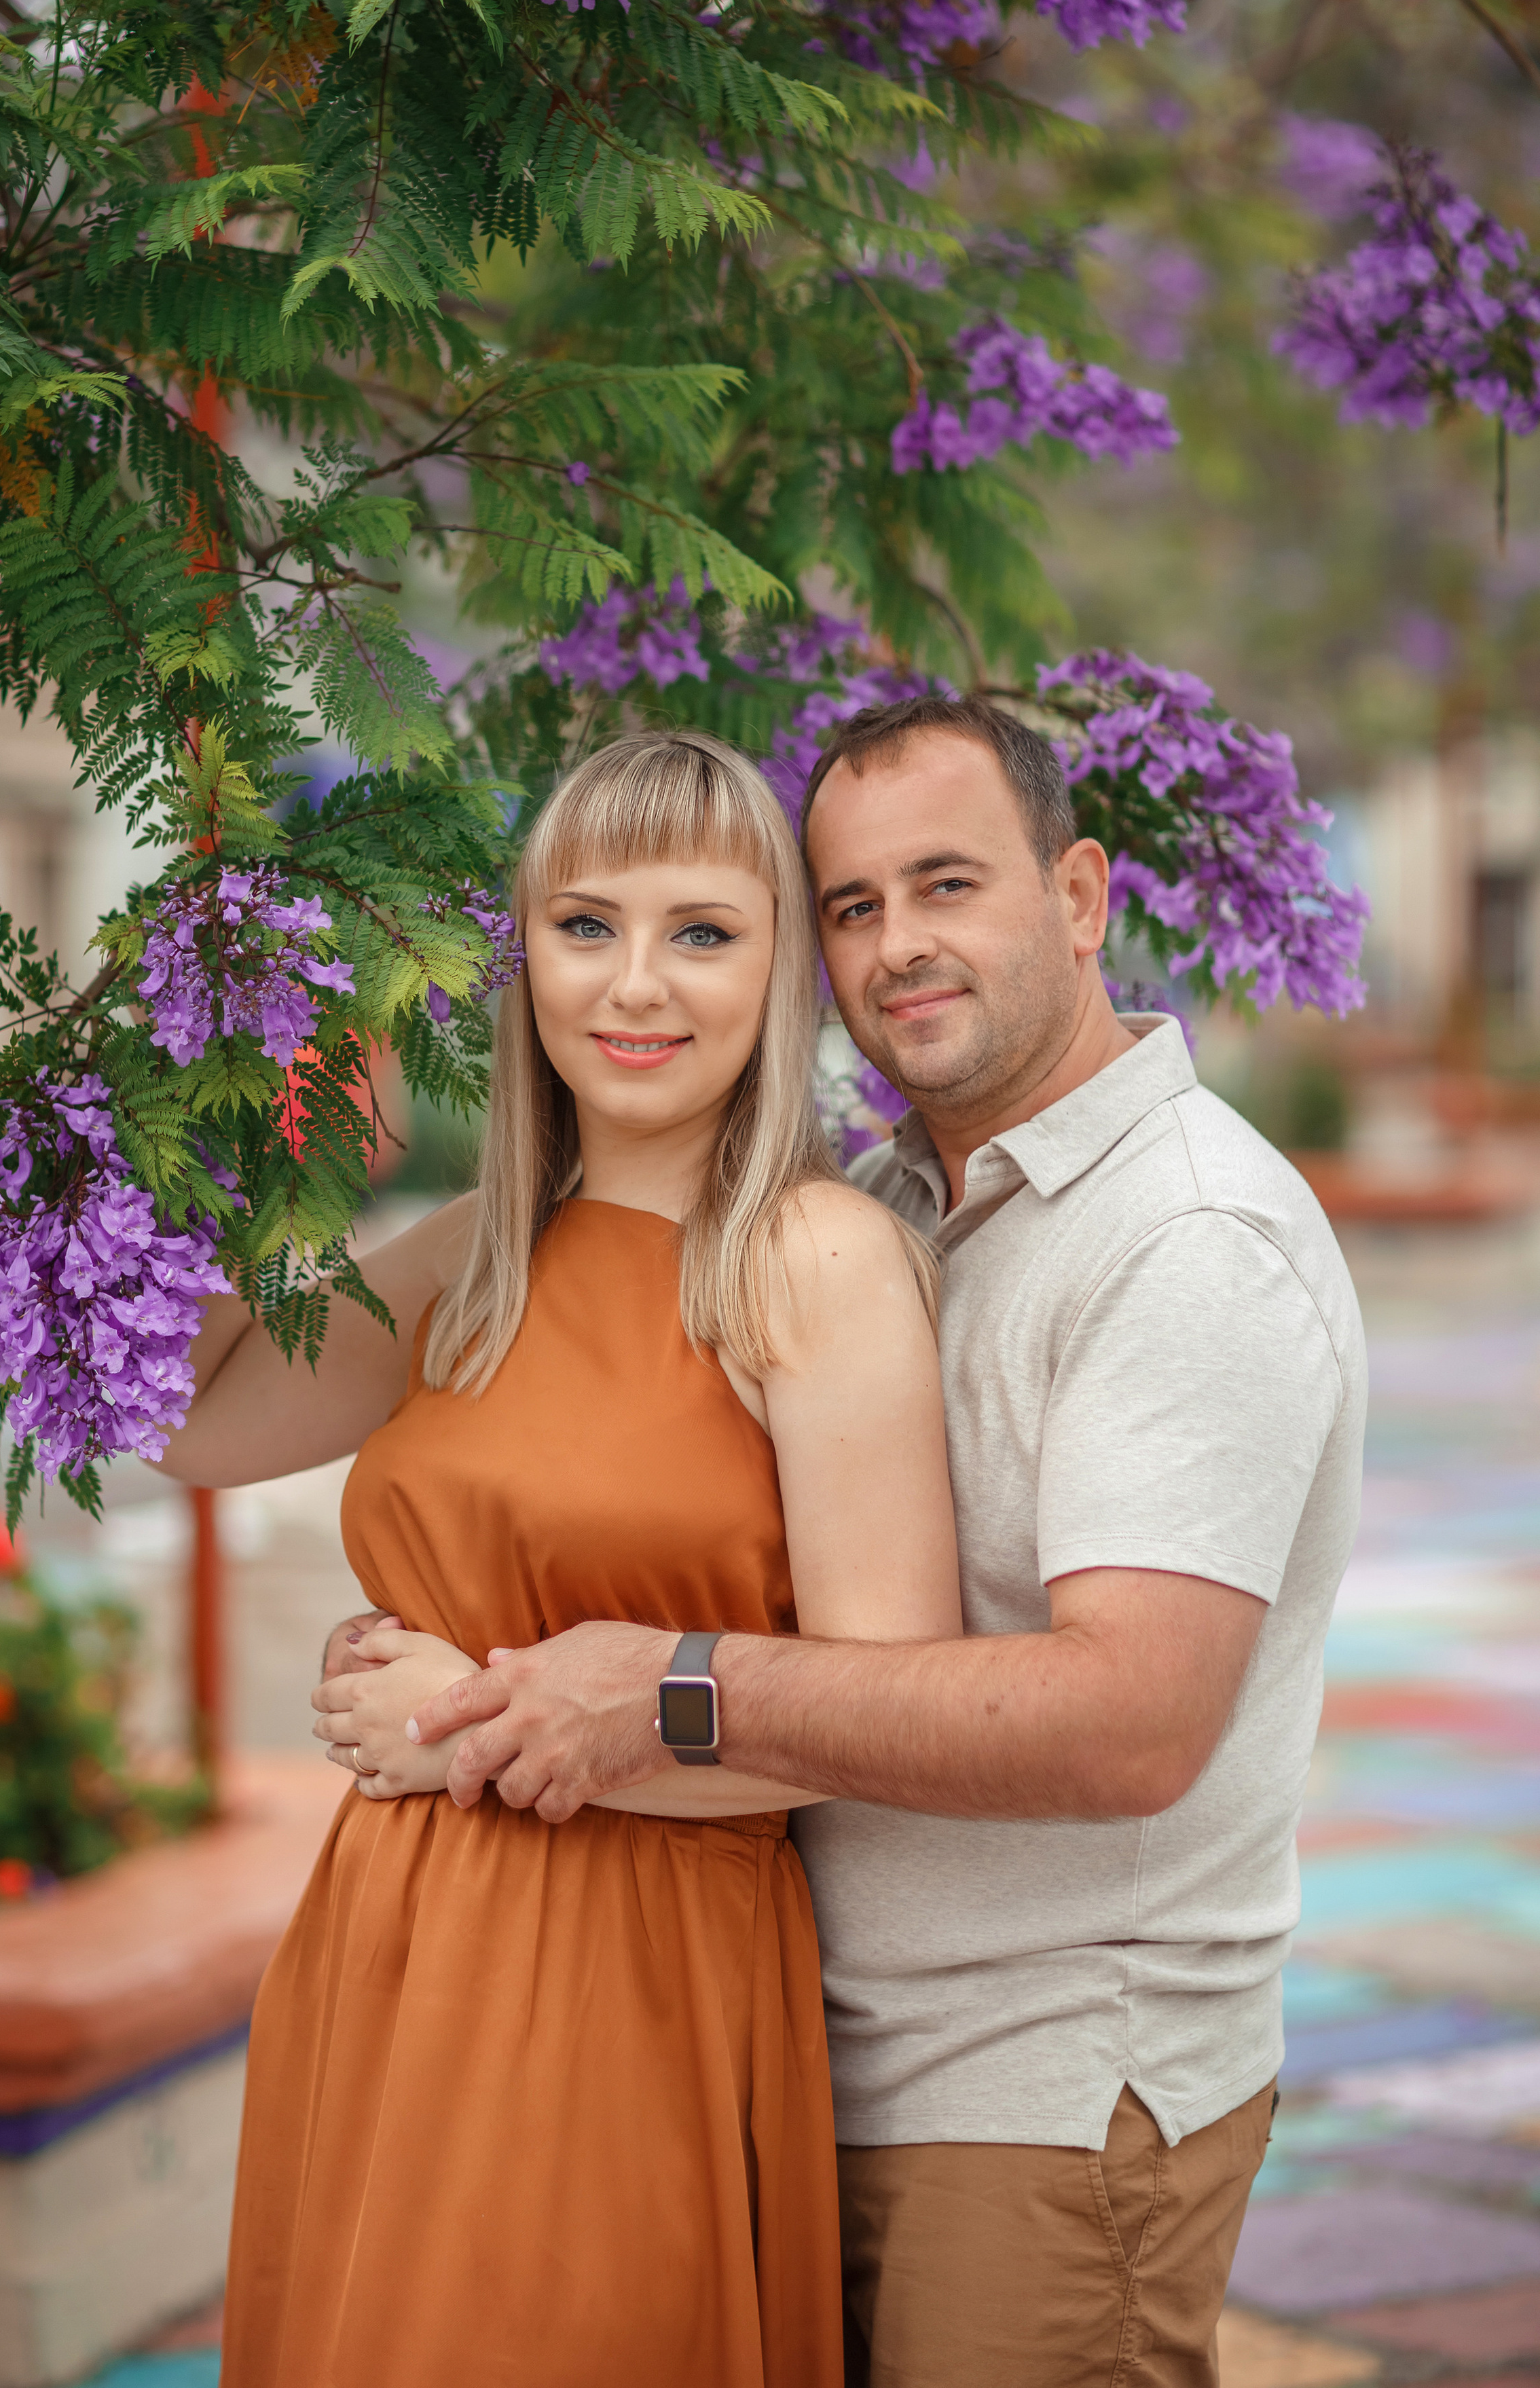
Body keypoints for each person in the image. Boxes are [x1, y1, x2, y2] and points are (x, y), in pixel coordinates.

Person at [377, 695, 1368, 2388]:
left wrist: (667, 1692)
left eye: (945, 885)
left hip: (1041, 2101)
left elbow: (1128, 1720)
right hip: (798, 2053)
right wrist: (472, 1677)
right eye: (850, 907)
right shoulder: (901, 1200)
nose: (896, 946)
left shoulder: (1183, 1239)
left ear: (1076, 898)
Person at [162, 729, 965, 2388]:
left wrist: (472, 1720)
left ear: (780, 969)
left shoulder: (809, 1260)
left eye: (702, 931)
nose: (635, 986)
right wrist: (231, 1091)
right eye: (585, 924)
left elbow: (890, 1719)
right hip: (393, 1949)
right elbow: (203, 1427)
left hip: (635, 1979)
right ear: (515, 953)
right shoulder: (481, 1249)